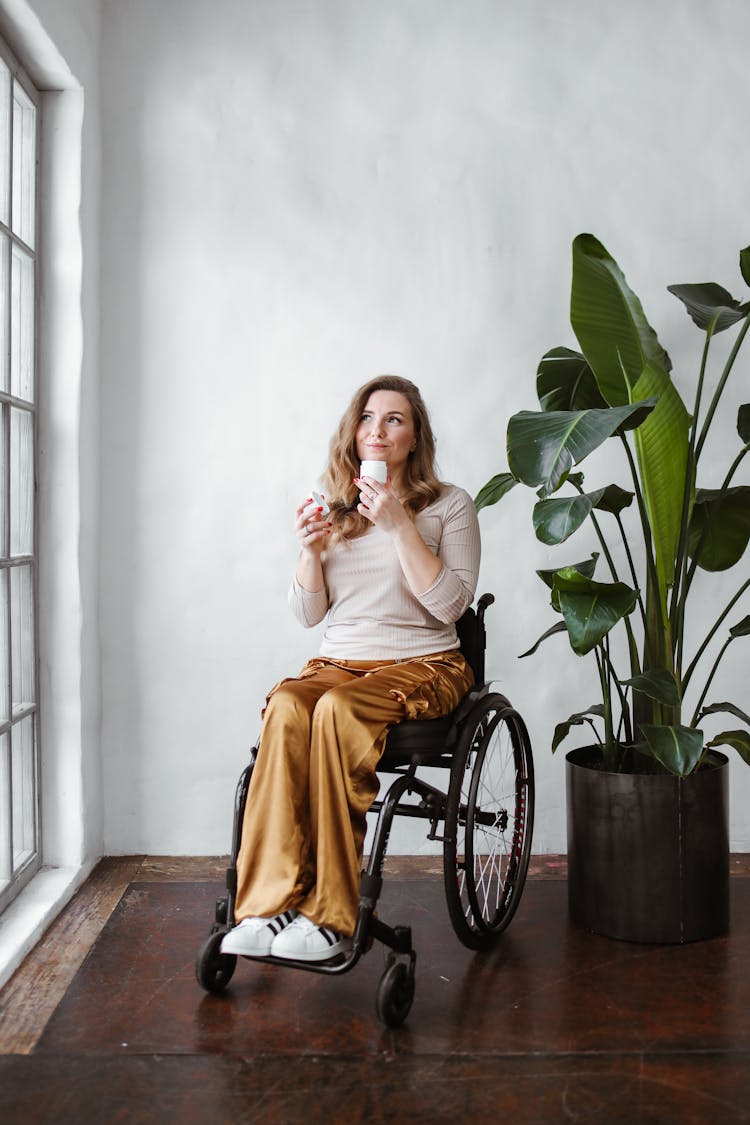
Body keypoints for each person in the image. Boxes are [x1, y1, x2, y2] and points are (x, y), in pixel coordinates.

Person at [221, 375, 481, 962]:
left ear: (415, 437)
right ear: (353, 431)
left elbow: (449, 606)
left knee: (336, 711)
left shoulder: (450, 505)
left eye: (395, 419)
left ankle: (330, 914)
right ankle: (267, 906)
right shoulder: (333, 504)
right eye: (368, 418)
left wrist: (398, 527)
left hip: (426, 662)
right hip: (339, 661)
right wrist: (309, 553)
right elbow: (309, 614)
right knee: (288, 704)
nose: (378, 430)